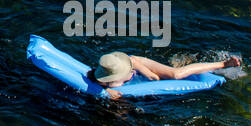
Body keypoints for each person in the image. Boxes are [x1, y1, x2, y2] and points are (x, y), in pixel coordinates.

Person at [90, 50, 240, 100]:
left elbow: (154, 79)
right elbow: (92, 79)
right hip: (120, 65)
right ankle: (177, 64)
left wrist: (147, 73)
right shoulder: (101, 77)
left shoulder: (130, 66)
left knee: (176, 74)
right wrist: (107, 90)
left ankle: (224, 64)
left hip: (137, 64)